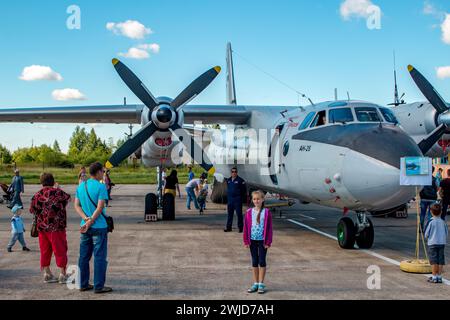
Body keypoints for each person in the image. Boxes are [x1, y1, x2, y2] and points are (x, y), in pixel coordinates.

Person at [74, 162, 112, 294]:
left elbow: (77, 206)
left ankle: (83, 284)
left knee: (83, 256)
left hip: (84, 226)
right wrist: (90, 221)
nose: (103, 173)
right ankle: (99, 286)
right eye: (102, 171)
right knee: (99, 256)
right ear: (98, 172)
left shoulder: (81, 186)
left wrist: (85, 219)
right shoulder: (101, 187)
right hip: (99, 226)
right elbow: (100, 207)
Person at [29, 173, 71, 284]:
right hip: (57, 228)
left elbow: (32, 210)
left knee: (45, 250)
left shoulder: (37, 195)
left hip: (42, 228)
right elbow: (68, 199)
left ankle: (47, 273)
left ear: (41, 182)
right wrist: (58, 188)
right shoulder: (58, 193)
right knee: (60, 250)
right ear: (53, 181)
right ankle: (62, 274)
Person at [243, 190, 273, 294]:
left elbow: (269, 229)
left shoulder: (267, 212)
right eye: (254, 199)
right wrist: (246, 240)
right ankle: (255, 283)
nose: (256, 201)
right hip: (252, 240)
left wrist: (268, 241)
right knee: (254, 261)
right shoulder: (249, 212)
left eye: (258, 199)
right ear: (252, 200)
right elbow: (246, 227)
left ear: (262, 200)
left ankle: (261, 284)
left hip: (262, 241)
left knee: (262, 261)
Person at [424, 203, 448, 284]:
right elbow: (446, 233)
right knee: (440, 260)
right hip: (441, 243)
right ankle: (439, 276)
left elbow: (426, 233)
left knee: (434, 261)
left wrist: (426, 238)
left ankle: (434, 277)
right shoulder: (443, 222)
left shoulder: (430, 221)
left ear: (431, 212)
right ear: (441, 212)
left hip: (432, 243)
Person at [224, 167, 247, 233]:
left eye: (235, 172)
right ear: (231, 173)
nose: (234, 173)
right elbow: (228, 189)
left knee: (239, 214)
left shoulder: (240, 180)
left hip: (237, 200)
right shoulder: (228, 180)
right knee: (230, 214)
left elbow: (243, 191)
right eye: (233, 172)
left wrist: (240, 198)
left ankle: (240, 228)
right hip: (230, 199)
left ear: (237, 173)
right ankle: (229, 227)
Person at [420, 166, 438, 231]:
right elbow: (437, 188)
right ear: (433, 171)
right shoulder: (435, 179)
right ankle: (428, 228)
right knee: (430, 215)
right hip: (432, 198)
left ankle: (421, 228)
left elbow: (420, 187)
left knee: (422, 214)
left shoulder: (423, 178)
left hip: (423, 198)